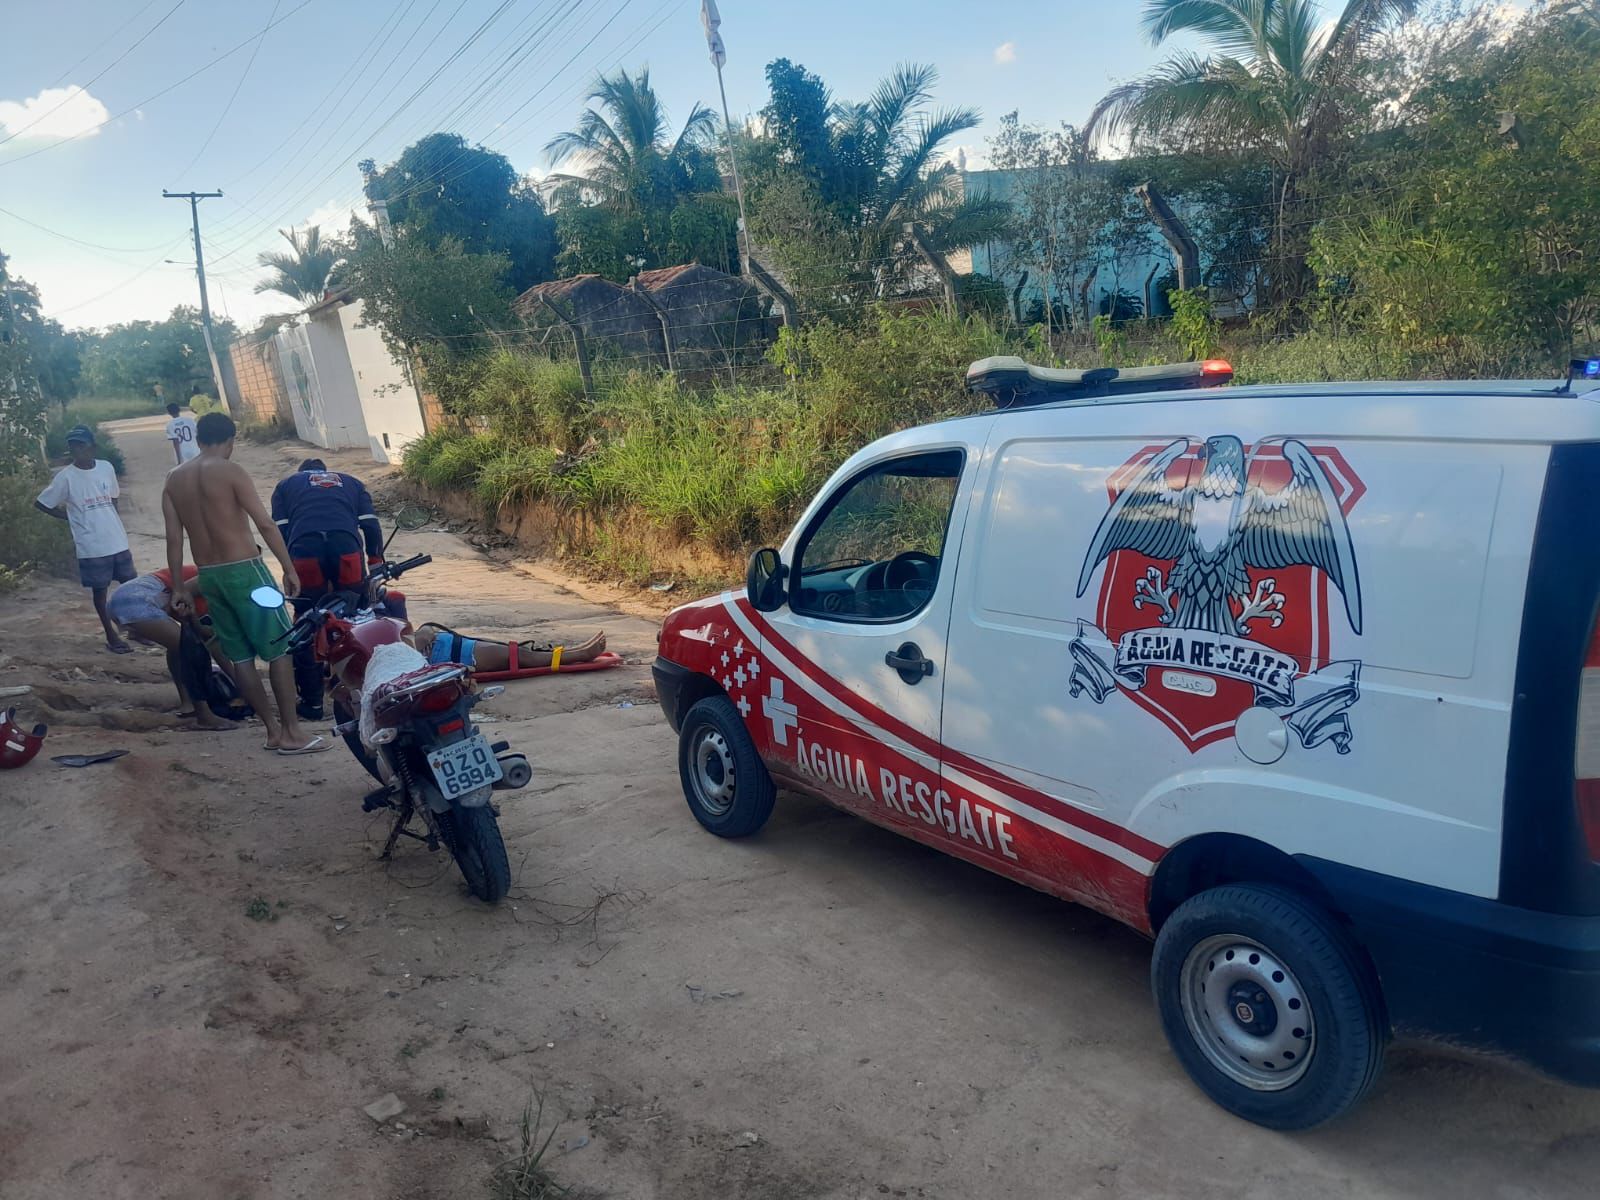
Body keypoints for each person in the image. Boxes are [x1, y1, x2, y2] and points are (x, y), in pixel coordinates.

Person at [162, 411, 328, 755]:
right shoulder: (230, 470)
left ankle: (272, 731)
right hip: (247, 572)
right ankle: (292, 733)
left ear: (198, 439)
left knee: (239, 657)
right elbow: (265, 523)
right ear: (230, 441)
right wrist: (289, 567)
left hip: (209, 576)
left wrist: (179, 587)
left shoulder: (174, 479)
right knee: (280, 648)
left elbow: (174, 540)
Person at [270, 457, 388, 720]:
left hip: (305, 549)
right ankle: (365, 683)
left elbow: (280, 530)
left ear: (302, 473)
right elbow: (370, 524)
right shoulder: (352, 482)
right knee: (356, 615)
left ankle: (312, 703)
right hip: (346, 548)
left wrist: (289, 569)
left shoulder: (286, 485)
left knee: (307, 620)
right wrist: (376, 562)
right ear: (326, 471)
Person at [34, 425, 136, 654]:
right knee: (100, 592)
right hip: (91, 544)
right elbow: (42, 503)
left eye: (81, 444)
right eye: (73, 446)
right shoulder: (66, 477)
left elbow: (114, 498)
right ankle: (111, 635)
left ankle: (135, 628)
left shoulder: (106, 468)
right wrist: (69, 516)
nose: (77, 450)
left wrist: (112, 520)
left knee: (131, 586)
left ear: (93, 447)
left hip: (116, 539)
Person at [105, 565, 237, 731]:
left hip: (126, 597)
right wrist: (240, 683)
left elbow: (204, 635)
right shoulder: (215, 577)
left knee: (178, 647)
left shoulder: (219, 582)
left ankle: (188, 705)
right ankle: (205, 717)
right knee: (192, 651)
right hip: (137, 600)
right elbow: (211, 643)